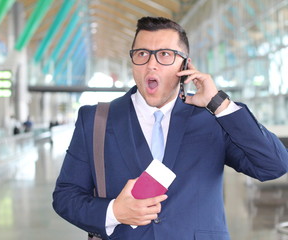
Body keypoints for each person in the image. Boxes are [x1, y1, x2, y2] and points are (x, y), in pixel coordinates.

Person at [52, 16, 288, 240]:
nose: (151, 64)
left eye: (164, 54)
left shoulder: (212, 119)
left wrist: (219, 103)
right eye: (142, 53)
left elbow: (273, 165)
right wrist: (114, 212)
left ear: (185, 64)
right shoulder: (96, 120)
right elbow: (65, 196)